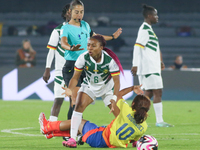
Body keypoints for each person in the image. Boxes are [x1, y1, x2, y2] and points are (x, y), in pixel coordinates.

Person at [60, 0, 123, 118]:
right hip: (72, 66)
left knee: (79, 103)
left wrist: (112, 37)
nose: (79, 15)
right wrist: (71, 48)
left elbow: (96, 37)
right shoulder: (66, 28)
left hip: (86, 66)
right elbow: (63, 43)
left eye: (82, 12)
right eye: (77, 12)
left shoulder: (85, 25)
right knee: (75, 101)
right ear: (70, 11)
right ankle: (70, 134)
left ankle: (76, 131)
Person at [61, 35, 125, 147]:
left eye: (93, 46)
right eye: (88, 45)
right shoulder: (83, 57)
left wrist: (114, 98)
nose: (89, 48)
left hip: (106, 89)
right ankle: (72, 139)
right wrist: (69, 89)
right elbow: (75, 77)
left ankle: (132, 138)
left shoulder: (110, 61)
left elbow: (117, 82)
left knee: (119, 115)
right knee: (78, 107)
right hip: (89, 86)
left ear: (101, 47)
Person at [39, 84, 148, 148]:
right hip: (108, 141)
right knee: (82, 128)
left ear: (133, 104)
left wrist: (132, 88)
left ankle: (48, 126)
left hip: (99, 138)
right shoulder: (144, 126)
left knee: (78, 121)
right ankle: (52, 133)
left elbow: (118, 94)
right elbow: (134, 141)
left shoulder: (126, 110)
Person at [131, 4, 173, 127]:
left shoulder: (149, 29)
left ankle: (134, 117)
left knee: (147, 95)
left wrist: (159, 61)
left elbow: (152, 49)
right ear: (149, 16)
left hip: (152, 67)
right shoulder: (144, 29)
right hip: (149, 68)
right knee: (158, 92)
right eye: (155, 15)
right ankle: (159, 121)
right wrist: (135, 64)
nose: (157, 17)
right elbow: (137, 47)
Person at [42, 4, 75, 123]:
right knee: (58, 100)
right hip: (61, 71)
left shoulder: (82, 30)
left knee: (74, 102)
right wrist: (47, 69)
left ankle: (71, 128)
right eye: (71, 11)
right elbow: (51, 51)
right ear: (66, 13)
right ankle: (51, 126)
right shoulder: (57, 30)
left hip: (76, 72)